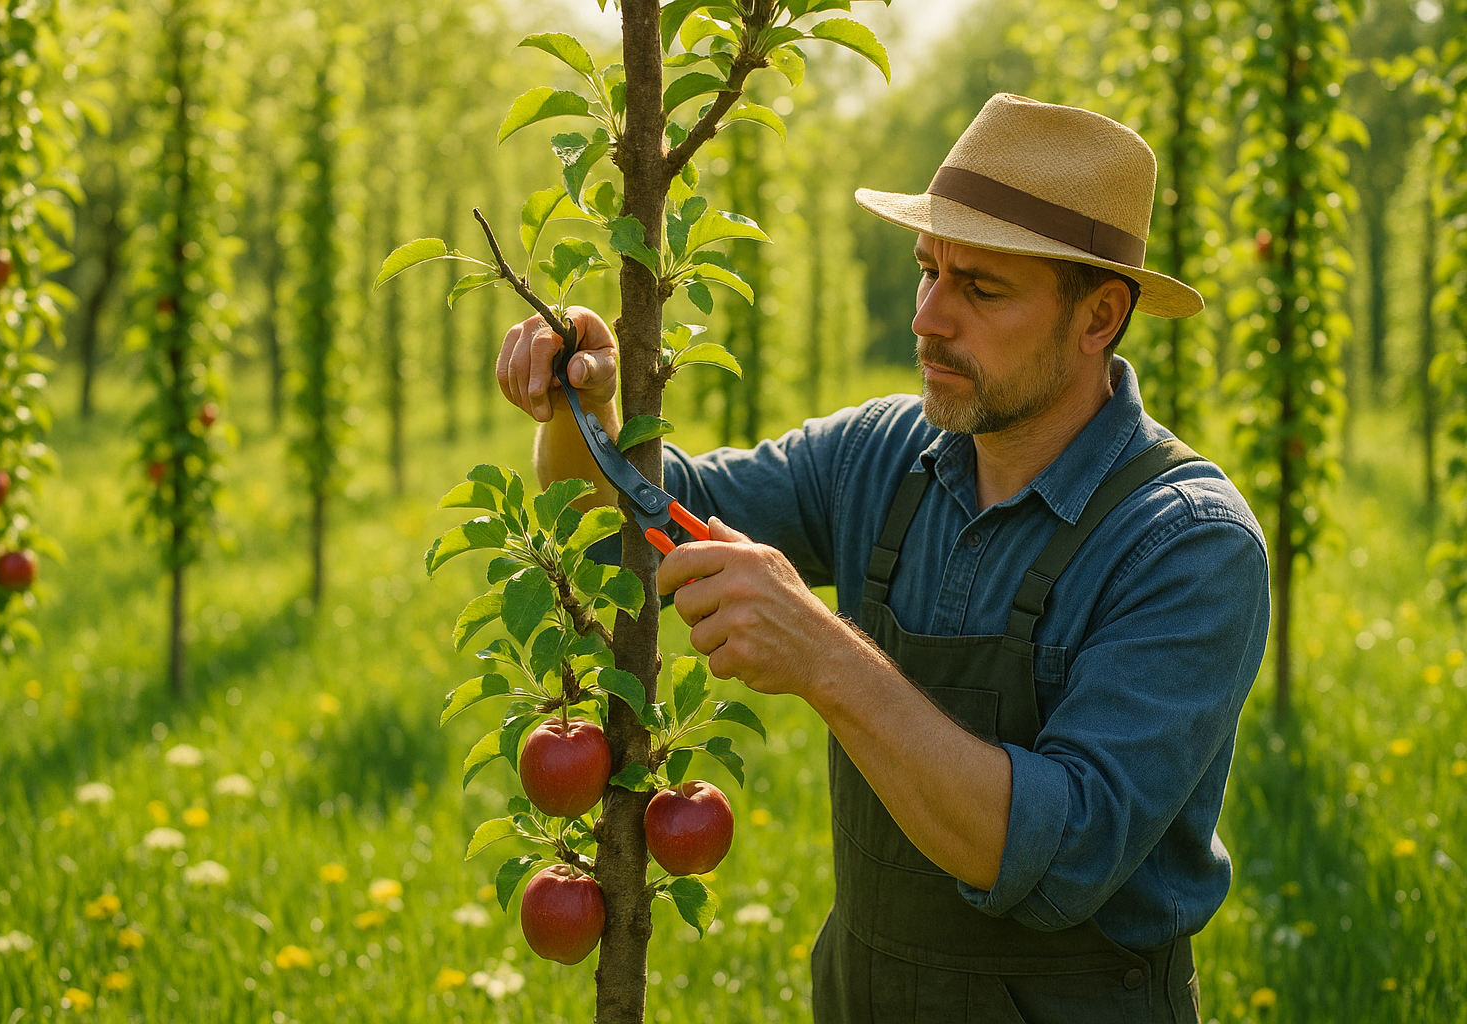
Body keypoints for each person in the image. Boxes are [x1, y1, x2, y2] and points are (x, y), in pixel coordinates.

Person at [496, 93, 1270, 1024]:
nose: (928, 317)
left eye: (981, 288)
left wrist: (824, 656)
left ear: (1099, 315)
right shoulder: (881, 456)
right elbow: (627, 532)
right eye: (928, 271)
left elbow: (1060, 854)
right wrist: (585, 405)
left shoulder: (1185, 543)